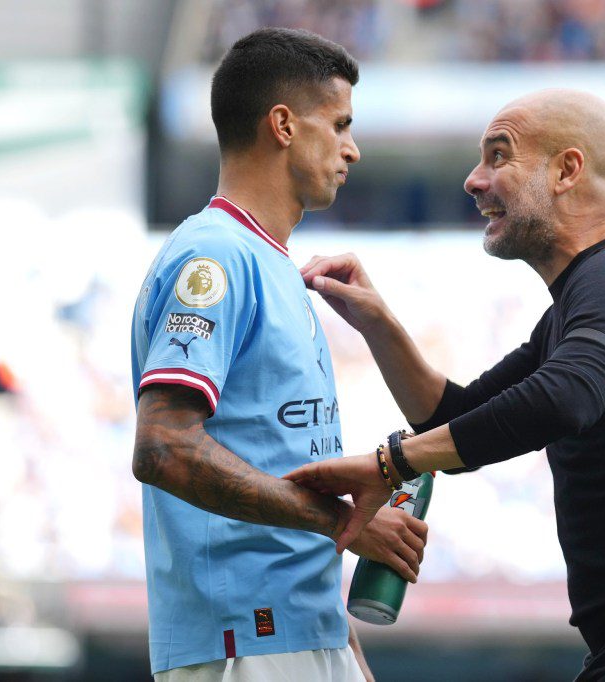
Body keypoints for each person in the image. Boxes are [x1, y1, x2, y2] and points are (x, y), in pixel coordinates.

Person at [285, 89, 605, 680]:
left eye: (499, 157)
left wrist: (393, 462)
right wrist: (378, 322)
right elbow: (457, 415)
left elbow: (565, 397)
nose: (474, 181)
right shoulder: (587, 299)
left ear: (567, 170)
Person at [130, 28, 427, 682]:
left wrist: (345, 649)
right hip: (244, 637)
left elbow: (278, 463)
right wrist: (348, 523)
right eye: (340, 124)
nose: (352, 147)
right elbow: (163, 447)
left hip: (300, 629)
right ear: (284, 124)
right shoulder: (212, 259)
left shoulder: (276, 265)